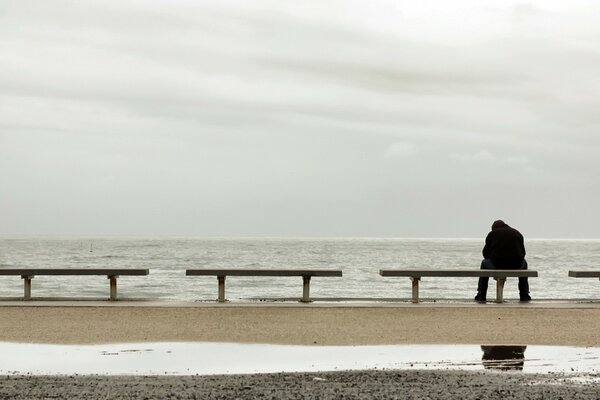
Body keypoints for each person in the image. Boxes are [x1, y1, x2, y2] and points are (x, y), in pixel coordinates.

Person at [474, 220, 531, 302]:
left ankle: (481, 294)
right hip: (516, 264)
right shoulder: (517, 233)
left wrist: (493, 258)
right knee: (524, 263)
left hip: (497, 264)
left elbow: (485, 253)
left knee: (484, 263)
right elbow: (523, 253)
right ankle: (524, 294)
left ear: (494, 228)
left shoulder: (492, 234)